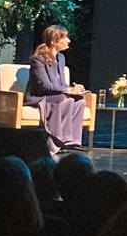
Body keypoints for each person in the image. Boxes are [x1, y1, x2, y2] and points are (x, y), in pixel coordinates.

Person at [25, 25, 88, 156]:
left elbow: (59, 83)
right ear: (54, 41)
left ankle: (69, 141)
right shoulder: (38, 59)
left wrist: (72, 88)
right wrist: (67, 90)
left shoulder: (61, 58)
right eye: (65, 37)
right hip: (39, 96)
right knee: (65, 98)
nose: (69, 40)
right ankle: (56, 142)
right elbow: (45, 86)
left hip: (56, 95)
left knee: (79, 101)